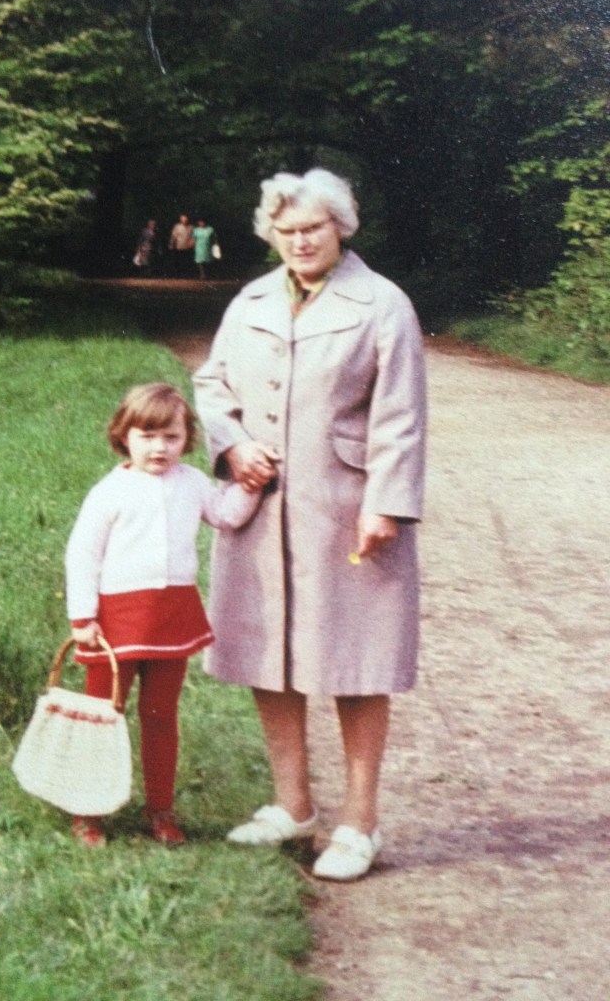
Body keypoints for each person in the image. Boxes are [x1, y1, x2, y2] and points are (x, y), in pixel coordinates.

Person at [193, 168, 427, 881]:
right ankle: (291, 806)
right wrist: (233, 445)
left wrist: (386, 504)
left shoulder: (382, 304)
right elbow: (211, 384)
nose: (299, 242)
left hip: (346, 510)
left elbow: (401, 414)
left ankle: (359, 823)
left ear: (340, 227)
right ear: (272, 235)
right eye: (286, 231)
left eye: (312, 229)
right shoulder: (252, 300)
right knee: (268, 650)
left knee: (357, 659)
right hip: (263, 512)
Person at [64, 383, 262, 848]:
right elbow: (82, 554)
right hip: (114, 620)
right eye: (147, 436)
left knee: (160, 714)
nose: (159, 448)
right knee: (103, 714)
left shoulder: (191, 482)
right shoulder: (110, 491)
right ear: (123, 436)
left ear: (187, 439)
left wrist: (250, 485)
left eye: (171, 437)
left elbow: (226, 514)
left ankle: (160, 809)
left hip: (171, 613)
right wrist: (82, 617)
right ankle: (87, 810)